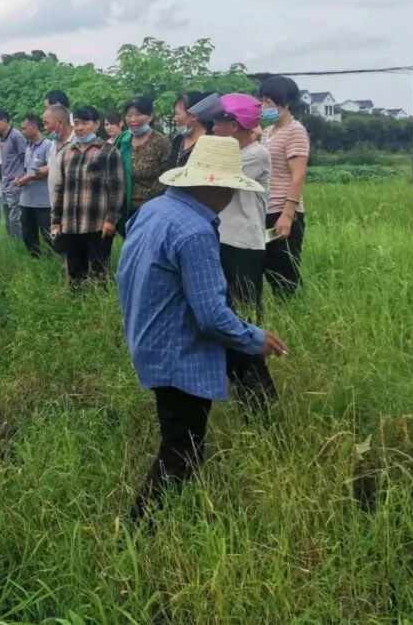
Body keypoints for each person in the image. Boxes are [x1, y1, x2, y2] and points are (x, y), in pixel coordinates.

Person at [117, 136, 288, 521]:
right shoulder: (194, 231)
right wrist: (255, 338)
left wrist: (245, 339)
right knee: (182, 452)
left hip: (152, 336)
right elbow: (211, 314)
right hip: (178, 352)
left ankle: (275, 437)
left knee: (245, 369)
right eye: (229, 188)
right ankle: (137, 531)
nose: (230, 197)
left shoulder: (154, 210)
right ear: (212, 186)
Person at [210, 94, 277, 413]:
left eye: (217, 122)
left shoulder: (256, 154)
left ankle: (260, 402)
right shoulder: (237, 150)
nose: (212, 128)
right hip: (223, 242)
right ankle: (245, 394)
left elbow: (212, 177)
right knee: (226, 318)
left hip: (242, 248)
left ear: (233, 125)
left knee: (243, 321)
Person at [50, 106, 124, 287]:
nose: (80, 127)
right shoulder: (67, 153)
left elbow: (117, 188)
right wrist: (56, 219)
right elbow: (60, 188)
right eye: (76, 123)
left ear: (96, 124)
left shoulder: (108, 152)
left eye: (85, 123)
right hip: (71, 225)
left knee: (99, 274)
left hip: (96, 224)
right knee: (75, 275)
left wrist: (111, 220)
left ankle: (98, 307)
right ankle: (77, 306)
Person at [258, 76, 310, 295]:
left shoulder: (295, 130)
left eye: (268, 101)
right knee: (268, 267)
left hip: (282, 210)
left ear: (285, 103)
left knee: (284, 273)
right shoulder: (268, 132)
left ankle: (293, 315)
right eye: (261, 100)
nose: (263, 106)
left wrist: (288, 214)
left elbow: (298, 175)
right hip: (265, 209)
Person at [125, 95, 172, 218]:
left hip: (151, 208)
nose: (132, 119)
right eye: (129, 115)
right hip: (124, 207)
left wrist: (148, 203)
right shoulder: (124, 140)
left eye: (138, 115)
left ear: (150, 116)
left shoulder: (161, 141)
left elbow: (166, 175)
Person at [14, 113, 54, 257]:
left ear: (34, 127)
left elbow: (50, 169)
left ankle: (61, 259)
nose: (23, 131)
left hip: (43, 201)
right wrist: (21, 178)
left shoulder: (48, 145)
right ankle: (36, 260)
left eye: (24, 128)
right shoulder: (28, 147)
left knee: (49, 234)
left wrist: (29, 178)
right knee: (28, 234)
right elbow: (29, 170)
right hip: (26, 199)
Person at [0, 108, 28, 240]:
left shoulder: (16, 136)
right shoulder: (1, 140)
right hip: (5, 186)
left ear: (4, 121)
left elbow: (26, 159)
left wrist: (23, 179)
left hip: (16, 185)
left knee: (16, 219)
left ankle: (21, 246)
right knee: (8, 220)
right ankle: (14, 245)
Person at [44, 103, 75, 215]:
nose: (44, 128)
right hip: (56, 206)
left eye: (46, 123)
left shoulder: (77, 143)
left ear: (60, 123)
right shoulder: (54, 143)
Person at [172, 92, 213, 167]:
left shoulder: (211, 142)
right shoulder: (178, 140)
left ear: (194, 116)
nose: (174, 118)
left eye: (177, 114)